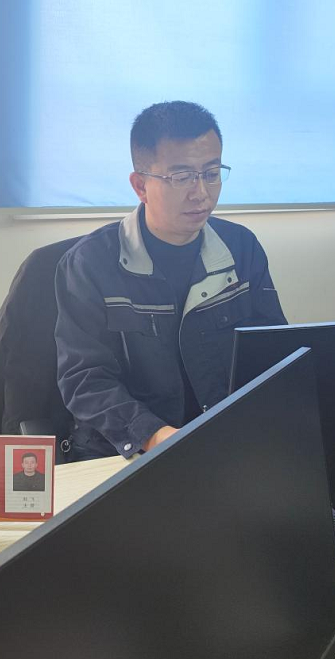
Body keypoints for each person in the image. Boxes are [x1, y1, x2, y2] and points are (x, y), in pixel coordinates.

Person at [54, 101, 288, 462]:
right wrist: (155, 436)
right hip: (123, 452)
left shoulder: (241, 249)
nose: (201, 192)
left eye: (212, 173)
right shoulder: (90, 264)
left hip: (220, 446)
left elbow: (273, 353)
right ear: (140, 185)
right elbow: (85, 379)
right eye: (181, 177)